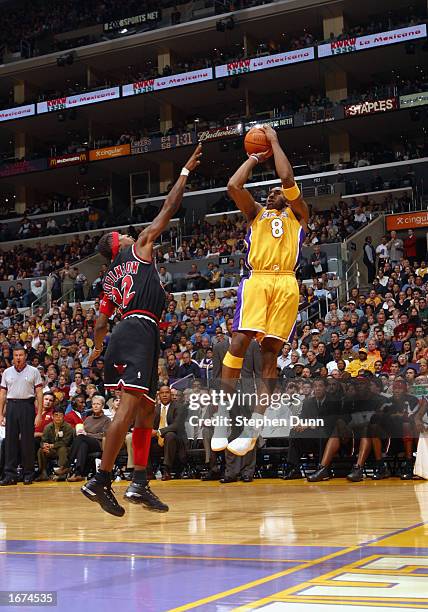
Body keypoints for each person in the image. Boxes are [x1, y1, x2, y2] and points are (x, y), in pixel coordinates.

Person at [81, 143, 202, 516]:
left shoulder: (108, 280)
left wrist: (98, 349)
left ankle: (139, 481)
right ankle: (100, 480)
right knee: (130, 407)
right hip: (137, 332)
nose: (132, 234)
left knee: (147, 411)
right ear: (120, 245)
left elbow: (101, 322)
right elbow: (169, 208)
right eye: (125, 234)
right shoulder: (139, 250)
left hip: (129, 334)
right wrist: (184, 173)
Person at [213, 125, 309, 457]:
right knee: (238, 341)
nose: (271, 193)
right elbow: (233, 185)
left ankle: (255, 424)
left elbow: (286, 178)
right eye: (267, 192)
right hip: (258, 279)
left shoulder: (299, 214)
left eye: (276, 192)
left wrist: (276, 142)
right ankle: (223, 415)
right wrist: (254, 157)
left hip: (286, 283)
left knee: (270, 357)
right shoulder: (257, 213)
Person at [0, 346, 43, 486]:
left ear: (25, 356)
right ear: (13, 357)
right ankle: (10, 474)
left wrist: (39, 414)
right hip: (11, 406)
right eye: (16, 355)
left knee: (27, 441)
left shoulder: (34, 371)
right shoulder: (7, 372)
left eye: (20, 355)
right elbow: (2, 395)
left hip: (27, 406)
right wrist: (1, 413)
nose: (18, 357)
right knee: (10, 441)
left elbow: (39, 394)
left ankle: (28, 473)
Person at [35, 407, 74, 481]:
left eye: (60, 415)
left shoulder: (68, 427)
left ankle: (62, 471)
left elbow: (66, 442)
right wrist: (44, 445)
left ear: (64, 417)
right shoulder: (48, 427)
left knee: (62, 449)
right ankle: (43, 473)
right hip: (52, 450)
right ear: (52, 416)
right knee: (41, 450)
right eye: (56, 415)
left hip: (66, 449)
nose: (58, 417)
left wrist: (53, 445)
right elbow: (43, 440)